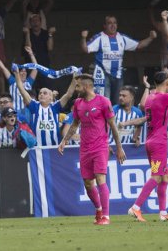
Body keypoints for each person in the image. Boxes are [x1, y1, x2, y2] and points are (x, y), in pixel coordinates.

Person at [58, 74, 126, 225]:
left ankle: (106, 217)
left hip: (101, 146)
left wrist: (119, 147)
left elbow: (113, 126)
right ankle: (99, 210)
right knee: (88, 184)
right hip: (85, 148)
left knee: (100, 178)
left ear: (87, 86)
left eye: (78, 86)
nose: (76, 89)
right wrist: (65, 140)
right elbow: (75, 124)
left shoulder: (103, 102)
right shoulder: (77, 103)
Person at [128, 68, 168, 222]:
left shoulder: (150, 97)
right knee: (156, 177)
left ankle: (163, 212)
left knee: (164, 177)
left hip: (150, 141)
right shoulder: (164, 97)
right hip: (159, 143)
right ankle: (135, 208)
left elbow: (145, 105)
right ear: (167, 82)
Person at [80, 16, 157, 104]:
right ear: (104, 25)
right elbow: (86, 49)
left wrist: (151, 38)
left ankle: (116, 118)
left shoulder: (122, 37)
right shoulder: (99, 38)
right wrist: (83, 38)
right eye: (110, 23)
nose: (113, 25)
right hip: (103, 75)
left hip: (118, 75)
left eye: (114, 23)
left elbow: (138, 45)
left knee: (119, 101)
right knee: (105, 101)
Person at [15, 69, 75, 146]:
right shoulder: (34, 105)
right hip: (38, 148)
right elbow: (22, 90)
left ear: (51, 97)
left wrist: (75, 78)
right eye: (40, 93)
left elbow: (69, 94)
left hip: (54, 147)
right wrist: (16, 74)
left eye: (45, 93)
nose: (41, 94)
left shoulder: (56, 106)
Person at [0, 45, 37, 111]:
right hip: (14, 112)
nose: (24, 73)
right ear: (17, 72)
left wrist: (31, 54)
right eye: (21, 71)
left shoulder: (29, 82)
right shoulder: (12, 81)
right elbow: (3, 68)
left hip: (27, 112)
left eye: (25, 71)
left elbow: (36, 68)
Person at [22, 14, 55, 91]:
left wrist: (50, 34)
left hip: (44, 65)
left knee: (46, 89)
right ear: (30, 23)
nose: (35, 23)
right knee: (31, 90)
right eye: (33, 21)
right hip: (31, 66)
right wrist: (27, 34)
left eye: (37, 21)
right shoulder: (28, 33)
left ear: (40, 22)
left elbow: (50, 48)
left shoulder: (45, 33)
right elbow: (28, 47)